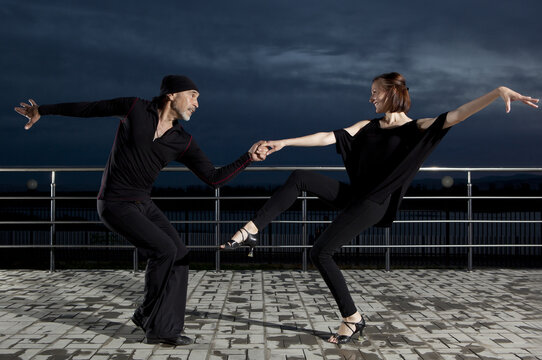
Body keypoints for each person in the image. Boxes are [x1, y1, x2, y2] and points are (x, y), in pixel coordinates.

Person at [220, 72, 539, 344]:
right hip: (356, 194)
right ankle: (251, 230)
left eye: (375, 93)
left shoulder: (418, 129)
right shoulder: (367, 126)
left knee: (321, 252)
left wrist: (498, 92)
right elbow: (326, 137)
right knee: (300, 177)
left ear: (391, 94)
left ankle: (352, 318)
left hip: (374, 203)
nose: (371, 99)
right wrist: (284, 142)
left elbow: (458, 114)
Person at [14, 75, 267, 346]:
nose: (196, 103)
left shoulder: (182, 141)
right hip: (113, 203)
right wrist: (43, 110)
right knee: (165, 251)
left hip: (142, 203)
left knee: (180, 254)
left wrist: (247, 158)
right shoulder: (135, 108)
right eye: (193, 95)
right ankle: (157, 327)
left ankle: (152, 318)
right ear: (171, 94)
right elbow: (88, 109)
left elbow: (213, 178)